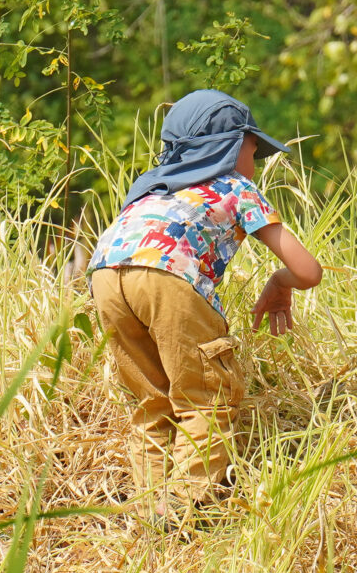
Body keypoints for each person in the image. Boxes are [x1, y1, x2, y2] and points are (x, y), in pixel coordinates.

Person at [87, 89, 322, 510]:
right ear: (231, 147)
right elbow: (308, 271)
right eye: (253, 150)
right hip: (169, 276)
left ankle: (149, 513)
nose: (255, 162)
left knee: (152, 401)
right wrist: (279, 282)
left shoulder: (149, 189)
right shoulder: (236, 186)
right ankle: (186, 512)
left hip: (105, 275)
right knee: (206, 399)